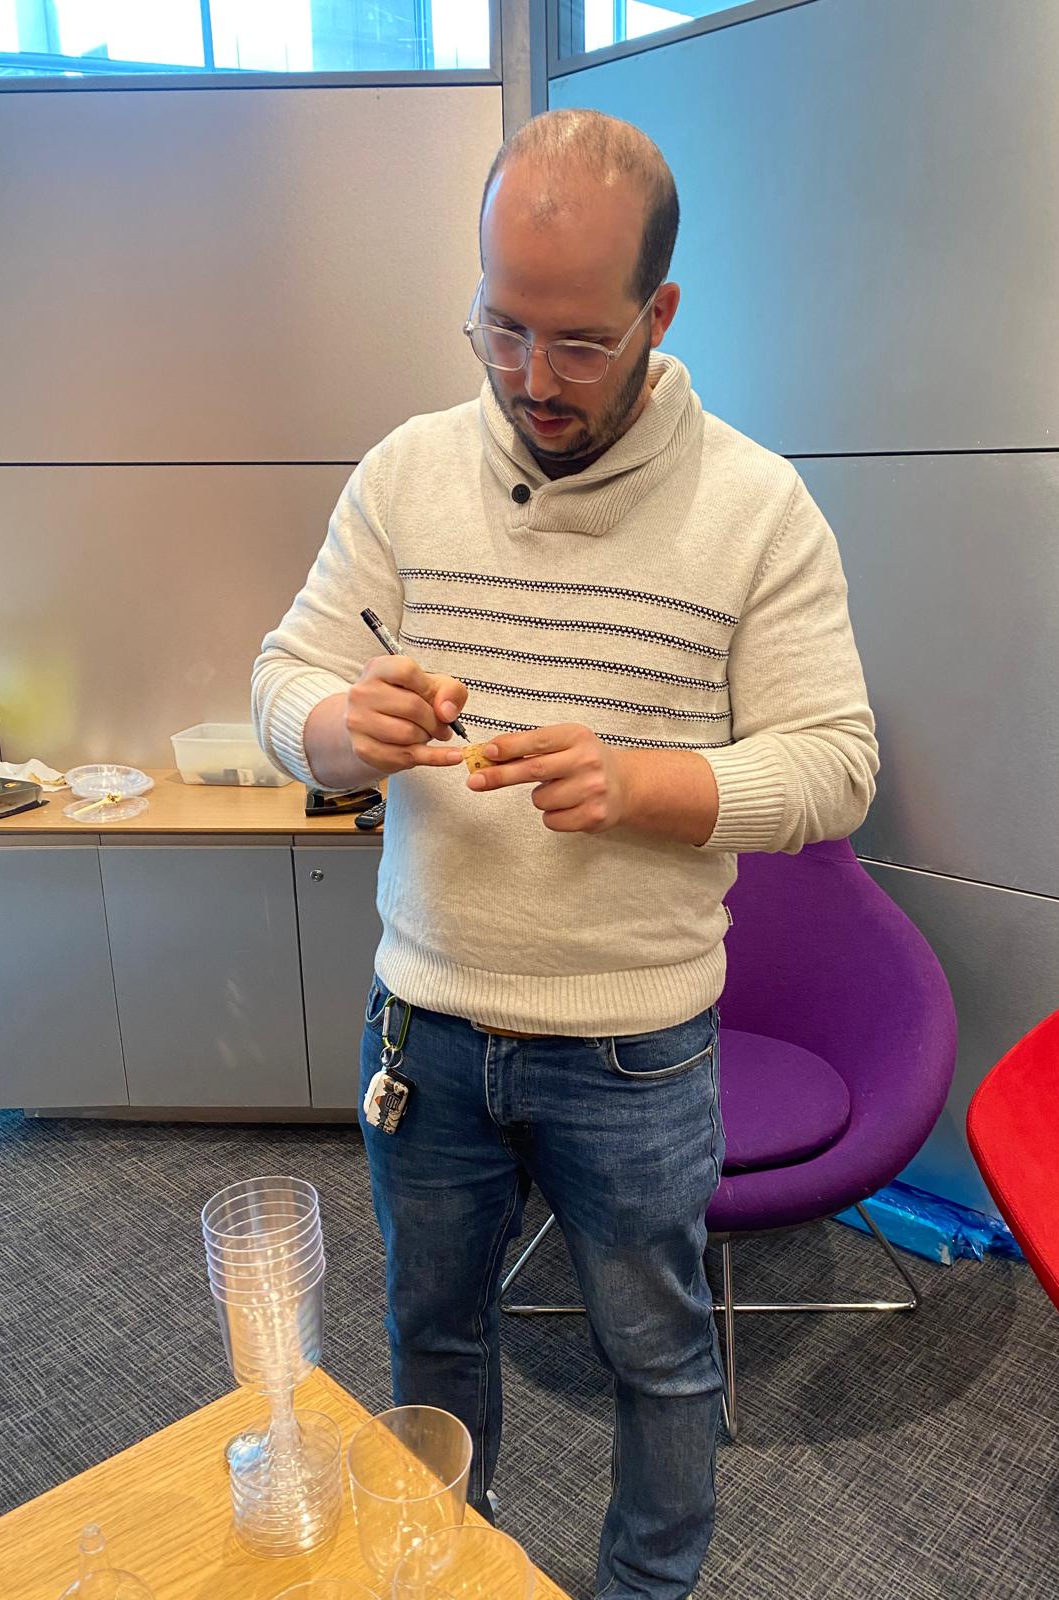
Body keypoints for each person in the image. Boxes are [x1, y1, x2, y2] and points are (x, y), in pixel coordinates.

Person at [253, 107, 878, 1600]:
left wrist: (641, 782)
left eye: (581, 343)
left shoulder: (756, 508)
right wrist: (343, 727)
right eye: (501, 327)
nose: (532, 378)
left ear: (661, 313)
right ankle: (445, 1573)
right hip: (427, 1026)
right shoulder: (406, 475)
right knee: (431, 1340)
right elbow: (283, 680)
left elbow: (836, 767)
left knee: (659, 1357)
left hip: (636, 1050)